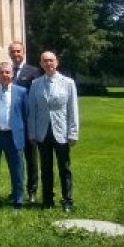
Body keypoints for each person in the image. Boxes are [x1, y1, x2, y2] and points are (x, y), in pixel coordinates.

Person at [28, 51, 79, 212]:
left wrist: (73, 132)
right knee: (46, 167)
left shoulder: (68, 83)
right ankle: (48, 199)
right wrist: (32, 133)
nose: (48, 63)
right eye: (45, 61)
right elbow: (32, 110)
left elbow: (73, 109)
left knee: (64, 167)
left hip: (61, 131)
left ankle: (67, 200)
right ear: (41, 64)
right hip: (42, 132)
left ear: (56, 63)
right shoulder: (36, 84)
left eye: (51, 60)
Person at [0, 62, 28, 209]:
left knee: (17, 170)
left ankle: (18, 199)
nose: (5, 75)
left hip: (13, 135)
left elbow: (25, 114)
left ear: (12, 74)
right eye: (2, 72)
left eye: (8, 72)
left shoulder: (21, 91)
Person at [9, 40, 42, 203]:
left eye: (18, 51)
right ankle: (17, 189)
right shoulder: (7, 71)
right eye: (13, 51)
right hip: (13, 123)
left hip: (28, 121)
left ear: (23, 53)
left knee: (31, 158)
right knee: (15, 158)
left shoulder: (34, 72)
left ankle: (32, 191)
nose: (15, 54)